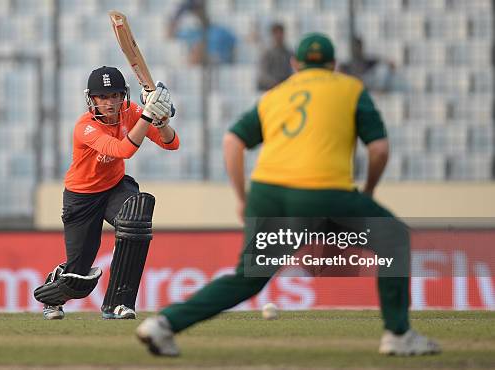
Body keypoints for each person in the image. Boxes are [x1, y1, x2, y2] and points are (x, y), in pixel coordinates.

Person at [136, 33, 440, 356]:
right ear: (334, 64)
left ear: (295, 64)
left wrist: (242, 197)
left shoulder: (275, 95)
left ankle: (164, 323)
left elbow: (232, 142)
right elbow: (379, 149)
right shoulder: (350, 89)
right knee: (393, 237)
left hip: (268, 194)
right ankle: (398, 334)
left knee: (247, 279)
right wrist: (368, 191)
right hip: (324, 192)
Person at [33, 66, 180, 320]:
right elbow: (123, 150)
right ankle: (52, 298)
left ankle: (118, 304)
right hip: (81, 198)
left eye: (115, 96)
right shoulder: (85, 127)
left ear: (124, 95)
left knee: (136, 218)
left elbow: (171, 143)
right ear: (92, 99)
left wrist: (161, 121)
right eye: (103, 97)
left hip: (114, 187)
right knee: (79, 277)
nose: (109, 103)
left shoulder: (131, 112)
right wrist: (147, 115)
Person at [168, 0, 237, 65]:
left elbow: (234, 51)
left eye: (200, 9)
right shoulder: (191, 33)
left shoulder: (221, 32)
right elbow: (170, 35)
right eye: (194, 10)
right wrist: (180, 12)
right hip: (196, 69)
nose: (197, 13)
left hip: (218, 68)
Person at [257, 22, 293, 91]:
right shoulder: (267, 53)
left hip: (287, 87)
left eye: (281, 33)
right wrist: (276, 83)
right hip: (271, 88)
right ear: (272, 35)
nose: (279, 36)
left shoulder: (289, 53)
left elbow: (293, 71)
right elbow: (264, 74)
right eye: (276, 33)